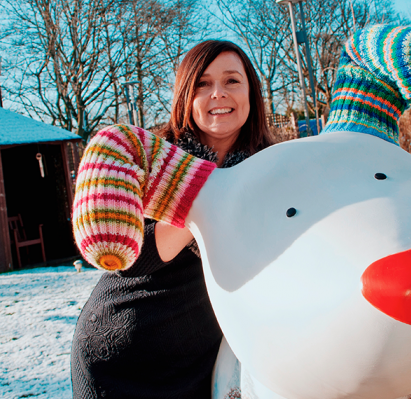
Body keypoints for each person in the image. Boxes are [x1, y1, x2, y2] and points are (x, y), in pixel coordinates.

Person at [70, 40, 274, 399]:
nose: (218, 94)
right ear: (185, 96)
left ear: (251, 92)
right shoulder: (153, 159)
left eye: (231, 81)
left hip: (200, 361)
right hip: (121, 351)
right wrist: (204, 197)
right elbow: (129, 263)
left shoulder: (272, 169)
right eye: (202, 84)